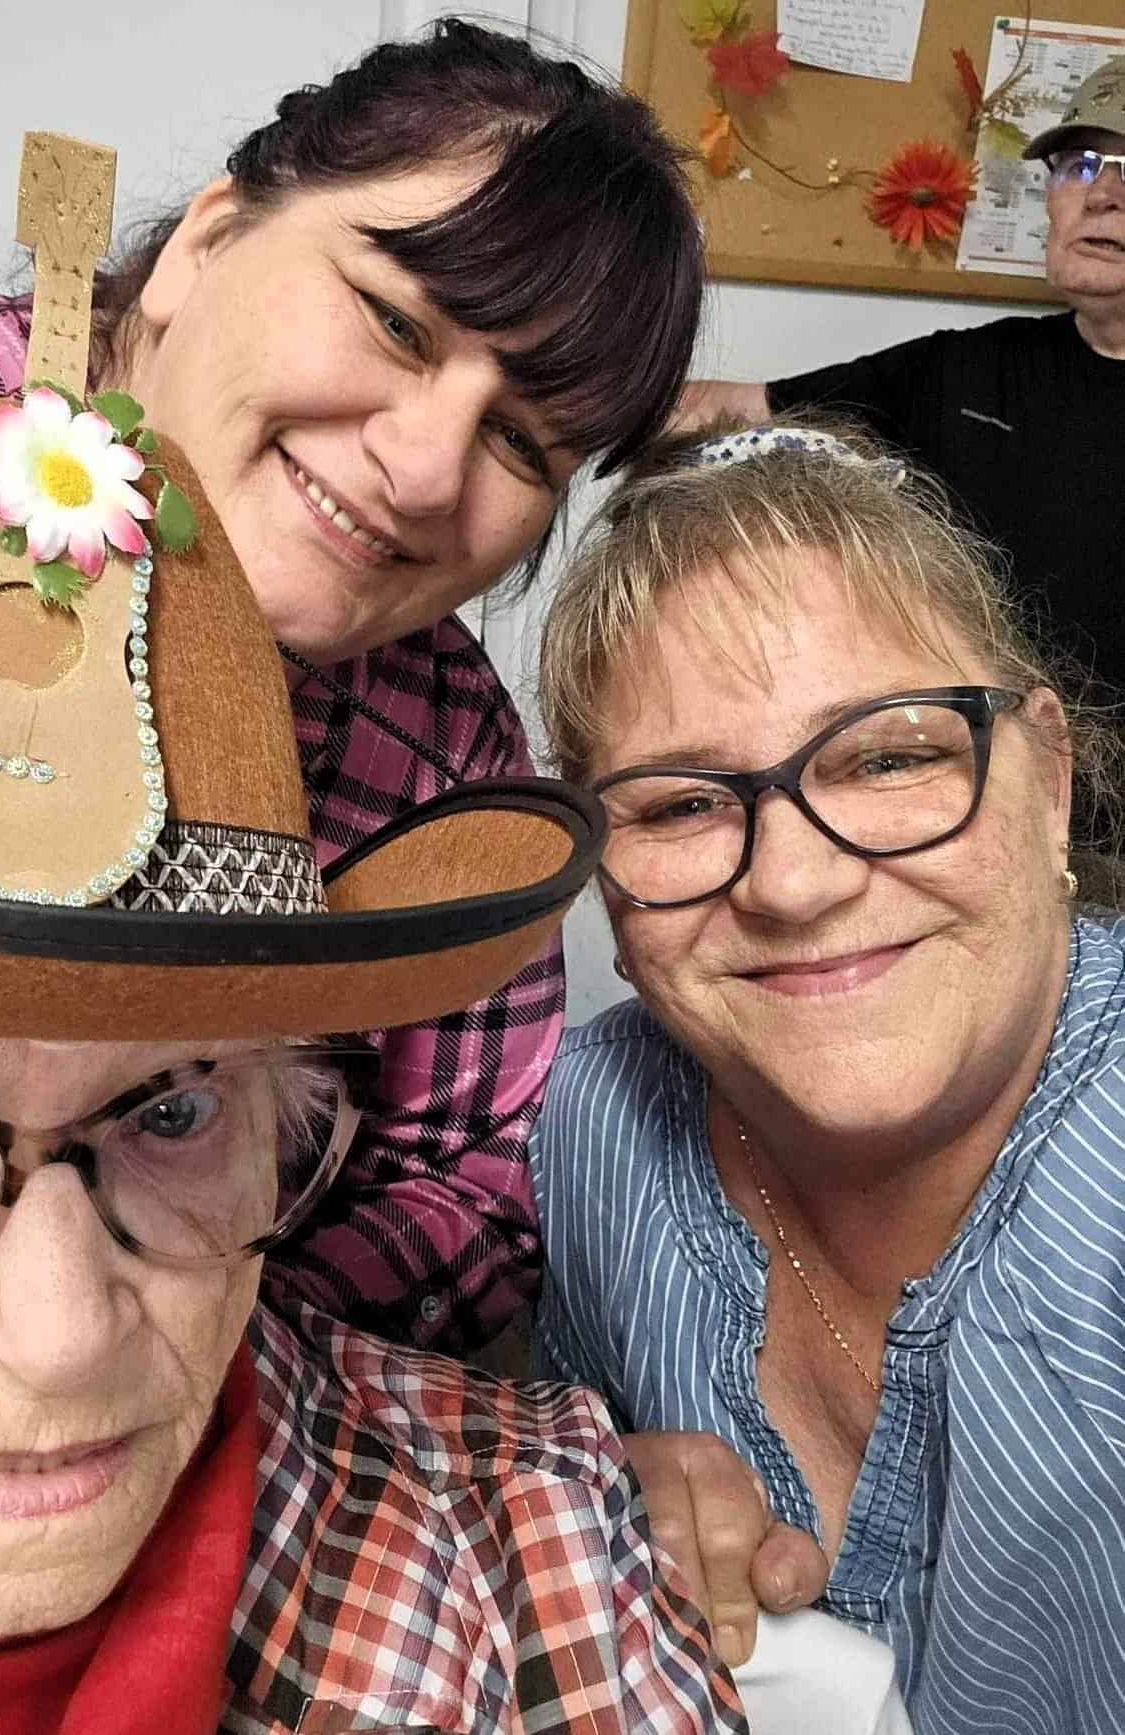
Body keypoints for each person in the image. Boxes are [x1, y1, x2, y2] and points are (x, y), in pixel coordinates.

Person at [0, 149, 742, 1728]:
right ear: (209, 234)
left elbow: (455, 1202)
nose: (61, 1334)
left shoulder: (542, 1568)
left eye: (172, 1109)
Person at [0, 18, 705, 1353]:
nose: (427, 469)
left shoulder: (442, 752)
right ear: (204, 243)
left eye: (523, 442)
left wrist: (152, 1332)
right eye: (396, 323)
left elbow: (466, 1189)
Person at [530, 415, 1125, 1734]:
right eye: (682, 804)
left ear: (1047, 781)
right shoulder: (587, 1127)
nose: (793, 885)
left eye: (891, 756)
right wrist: (595, 1490)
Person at [675, 55, 1125, 705]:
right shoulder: (967, 369)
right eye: (1080, 165)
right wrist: (567, 397)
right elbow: (735, 410)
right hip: (984, 757)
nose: (1102, 193)